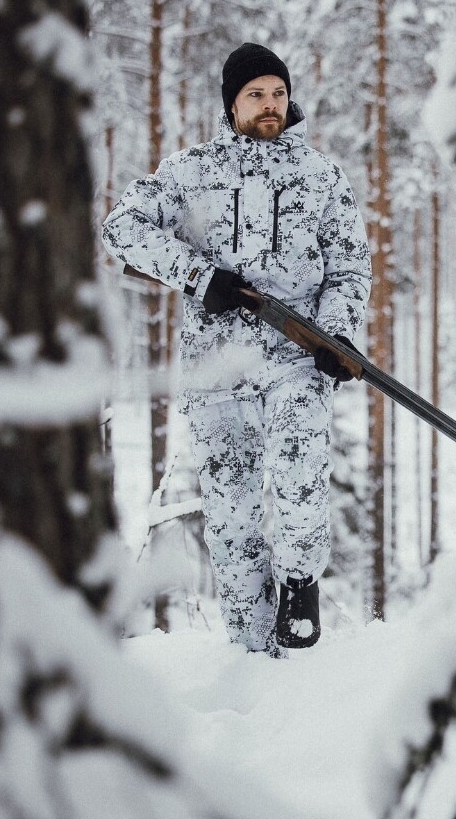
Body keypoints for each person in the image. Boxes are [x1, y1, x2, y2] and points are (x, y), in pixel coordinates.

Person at [103, 43, 371, 654]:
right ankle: (252, 651)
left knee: (301, 472)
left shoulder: (320, 175)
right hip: (214, 370)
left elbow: (351, 268)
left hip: (297, 357)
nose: (270, 105)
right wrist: (199, 276)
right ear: (232, 103)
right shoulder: (191, 171)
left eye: (278, 93)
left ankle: (301, 588)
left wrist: (336, 334)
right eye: (256, 95)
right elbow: (121, 228)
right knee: (231, 514)